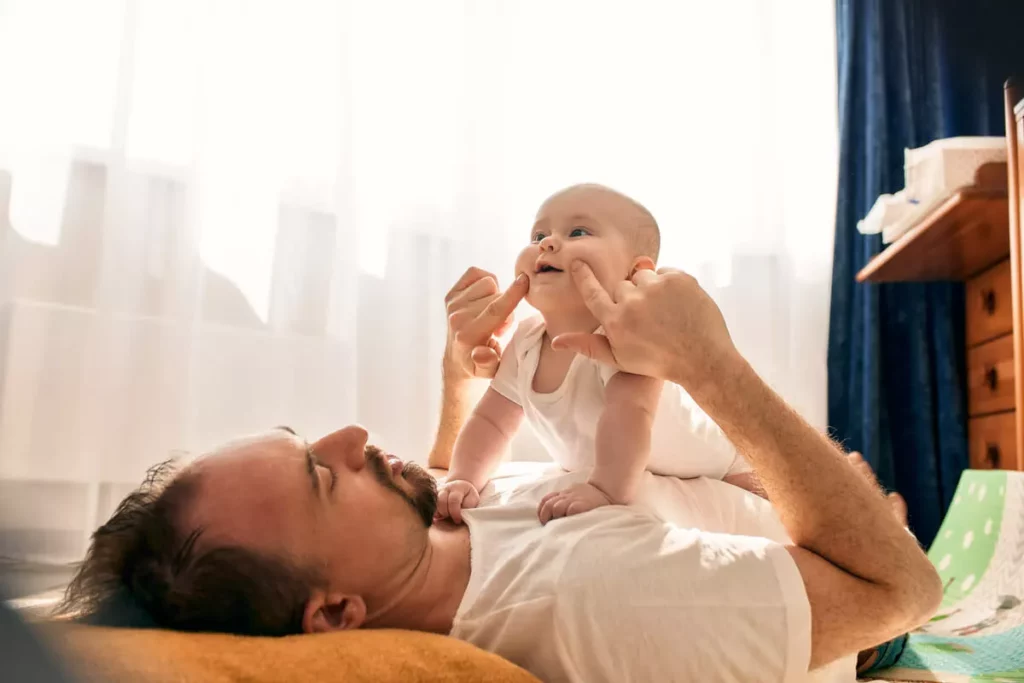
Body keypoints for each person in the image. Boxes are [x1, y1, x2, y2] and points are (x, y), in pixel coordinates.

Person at [57, 263, 942, 682]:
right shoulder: (604, 600)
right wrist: (708, 362)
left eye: (311, 439)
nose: (355, 434)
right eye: (325, 476)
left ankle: (864, 491)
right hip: (860, 616)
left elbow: (448, 470)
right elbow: (903, 588)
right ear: (333, 613)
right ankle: (875, 499)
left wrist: (461, 374)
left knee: (831, 472)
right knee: (879, 515)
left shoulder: (439, 536)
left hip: (754, 510)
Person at [437, 184, 759, 527]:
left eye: (577, 232)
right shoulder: (526, 341)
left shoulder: (631, 342)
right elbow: (491, 422)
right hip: (633, 464)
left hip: (724, 465)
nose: (547, 243)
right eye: (537, 236)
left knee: (769, 510)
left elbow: (630, 414)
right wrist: (464, 478)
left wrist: (606, 490)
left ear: (636, 272)